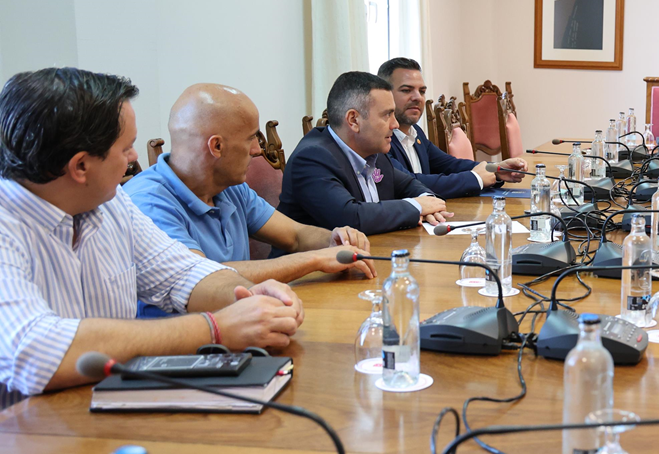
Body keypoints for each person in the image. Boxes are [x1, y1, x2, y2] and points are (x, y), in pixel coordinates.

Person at [0, 68, 304, 397]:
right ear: (80, 167)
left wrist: (252, 297)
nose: (133, 159)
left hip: (107, 407)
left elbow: (183, 275)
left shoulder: (111, 206)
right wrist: (215, 328)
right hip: (26, 434)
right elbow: (35, 353)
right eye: (126, 148)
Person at [125, 85, 377, 311]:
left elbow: (295, 235)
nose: (258, 150)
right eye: (251, 139)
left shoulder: (229, 186)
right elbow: (205, 278)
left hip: (239, 322)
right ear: (217, 147)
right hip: (182, 348)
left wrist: (334, 239)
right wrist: (315, 259)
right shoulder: (148, 202)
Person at [277, 72, 451, 235]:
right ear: (354, 120)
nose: (395, 124)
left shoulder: (374, 150)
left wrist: (428, 202)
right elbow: (350, 218)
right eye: (387, 115)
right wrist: (417, 207)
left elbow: (408, 184)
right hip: (316, 266)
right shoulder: (312, 159)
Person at [377, 57, 526, 198]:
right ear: (384, 94)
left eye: (422, 91)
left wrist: (496, 169)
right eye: (406, 90)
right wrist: (476, 178)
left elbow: (450, 165)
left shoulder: (416, 132)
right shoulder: (379, 140)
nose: (417, 97)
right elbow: (410, 183)